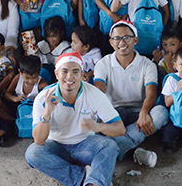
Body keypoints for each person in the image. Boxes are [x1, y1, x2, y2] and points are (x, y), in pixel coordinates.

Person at [25, 51, 125, 186]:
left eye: (75, 72)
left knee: (110, 146)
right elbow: (39, 140)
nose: (69, 77)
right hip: (55, 146)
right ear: (56, 74)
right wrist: (47, 113)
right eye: (64, 71)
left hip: (84, 145)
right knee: (32, 154)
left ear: (82, 74)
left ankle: (94, 183)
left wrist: (99, 127)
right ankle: (85, 177)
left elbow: (120, 129)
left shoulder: (94, 94)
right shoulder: (43, 97)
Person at [93, 20, 167, 164]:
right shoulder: (103, 63)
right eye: (117, 38)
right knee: (91, 116)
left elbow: (151, 93)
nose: (122, 42)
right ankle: (132, 151)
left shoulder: (147, 64)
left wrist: (144, 112)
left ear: (135, 40)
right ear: (111, 42)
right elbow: (98, 90)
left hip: (138, 113)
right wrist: (101, 112)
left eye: (126, 37)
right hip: (113, 113)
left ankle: (113, 148)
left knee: (160, 113)